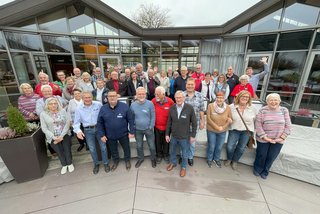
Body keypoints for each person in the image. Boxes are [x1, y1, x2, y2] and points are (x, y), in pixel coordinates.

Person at [253, 93, 291, 179]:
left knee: (271, 156)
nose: (273, 102)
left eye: (275, 100)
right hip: (263, 138)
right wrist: (265, 137)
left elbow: (288, 126)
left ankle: (265, 171)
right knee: (261, 155)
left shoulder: (284, 110)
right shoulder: (262, 110)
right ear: (267, 102)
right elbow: (258, 125)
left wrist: (281, 138)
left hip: (279, 139)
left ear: (279, 101)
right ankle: (257, 168)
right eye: (271, 100)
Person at [97, 90, 135, 171]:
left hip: (123, 134)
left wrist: (132, 131)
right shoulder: (103, 108)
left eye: (114, 96)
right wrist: (102, 135)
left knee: (126, 148)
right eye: (110, 96)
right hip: (110, 135)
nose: (112, 97)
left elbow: (131, 120)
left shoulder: (124, 106)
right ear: (107, 98)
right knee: (113, 150)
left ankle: (127, 160)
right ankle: (116, 161)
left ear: (117, 97)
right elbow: (99, 123)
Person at [73, 92, 109, 174]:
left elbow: (104, 116)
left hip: (99, 129)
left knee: (103, 147)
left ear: (92, 97)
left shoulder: (98, 104)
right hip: (88, 130)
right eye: (85, 97)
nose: (88, 99)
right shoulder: (79, 108)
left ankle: (106, 163)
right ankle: (96, 164)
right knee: (92, 149)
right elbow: (76, 123)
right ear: (82, 98)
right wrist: (78, 131)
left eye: (89, 97)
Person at [165, 91, 197, 177]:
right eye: (177, 98)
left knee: (185, 153)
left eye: (180, 97)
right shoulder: (172, 108)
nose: (178, 99)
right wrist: (167, 134)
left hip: (184, 136)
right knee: (172, 151)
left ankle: (183, 167)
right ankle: (173, 162)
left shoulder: (189, 108)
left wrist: (193, 135)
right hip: (174, 136)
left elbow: (194, 123)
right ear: (174, 98)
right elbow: (169, 122)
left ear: (183, 98)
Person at [40, 97, 73, 175]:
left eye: (55, 103)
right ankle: (64, 165)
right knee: (59, 151)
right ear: (47, 105)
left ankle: (70, 163)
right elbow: (44, 128)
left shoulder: (62, 111)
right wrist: (54, 137)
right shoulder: (43, 114)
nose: (53, 105)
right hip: (52, 137)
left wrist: (61, 136)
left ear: (57, 104)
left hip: (64, 135)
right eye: (51, 104)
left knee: (67, 150)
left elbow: (67, 123)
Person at [226, 90, 257, 170]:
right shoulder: (231, 107)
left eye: (247, 97)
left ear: (249, 98)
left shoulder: (252, 108)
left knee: (241, 148)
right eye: (243, 96)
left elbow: (256, 120)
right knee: (230, 146)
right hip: (234, 130)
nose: (245, 98)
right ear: (239, 97)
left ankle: (235, 161)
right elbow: (226, 116)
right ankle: (229, 159)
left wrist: (255, 131)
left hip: (246, 132)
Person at [130, 87, 157, 168]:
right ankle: (140, 159)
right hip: (137, 130)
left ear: (145, 94)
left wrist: (151, 126)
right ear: (136, 95)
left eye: (143, 94)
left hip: (148, 129)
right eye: (139, 94)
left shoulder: (150, 103)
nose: (141, 95)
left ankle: (153, 158)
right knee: (139, 146)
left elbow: (153, 116)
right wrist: (132, 128)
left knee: (151, 146)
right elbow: (131, 118)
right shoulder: (133, 105)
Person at [206, 92, 232, 168]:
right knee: (211, 146)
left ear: (224, 99)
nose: (219, 99)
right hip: (211, 130)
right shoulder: (210, 106)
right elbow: (208, 118)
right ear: (216, 98)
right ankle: (209, 159)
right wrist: (217, 127)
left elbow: (230, 119)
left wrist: (223, 127)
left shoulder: (228, 107)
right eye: (218, 97)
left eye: (221, 98)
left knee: (219, 146)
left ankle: (216, 159)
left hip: (222, 131)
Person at [183, 78, 205, 166]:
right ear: (186, 85)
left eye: (192, 84)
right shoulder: (182, 95)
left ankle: (190, 157)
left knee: (192, 142)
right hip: (183, 124)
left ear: (195, 85)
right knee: (183, 142)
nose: (190, 86)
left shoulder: (199, 96)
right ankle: (182, 156)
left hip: (195, 124)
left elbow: (202, 110)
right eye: (188, 84)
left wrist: (202, 121)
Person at [152, 86, 174, 164]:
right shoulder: (153, 101)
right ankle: (159, 155)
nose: (156, 96)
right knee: (157, 142)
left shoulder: (170, 101)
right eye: (155, 94)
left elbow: (173, 113)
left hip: (167, 127)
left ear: (163, 94)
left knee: (166, 142)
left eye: (158, 94)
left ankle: (166, 155)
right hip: (156, 126)